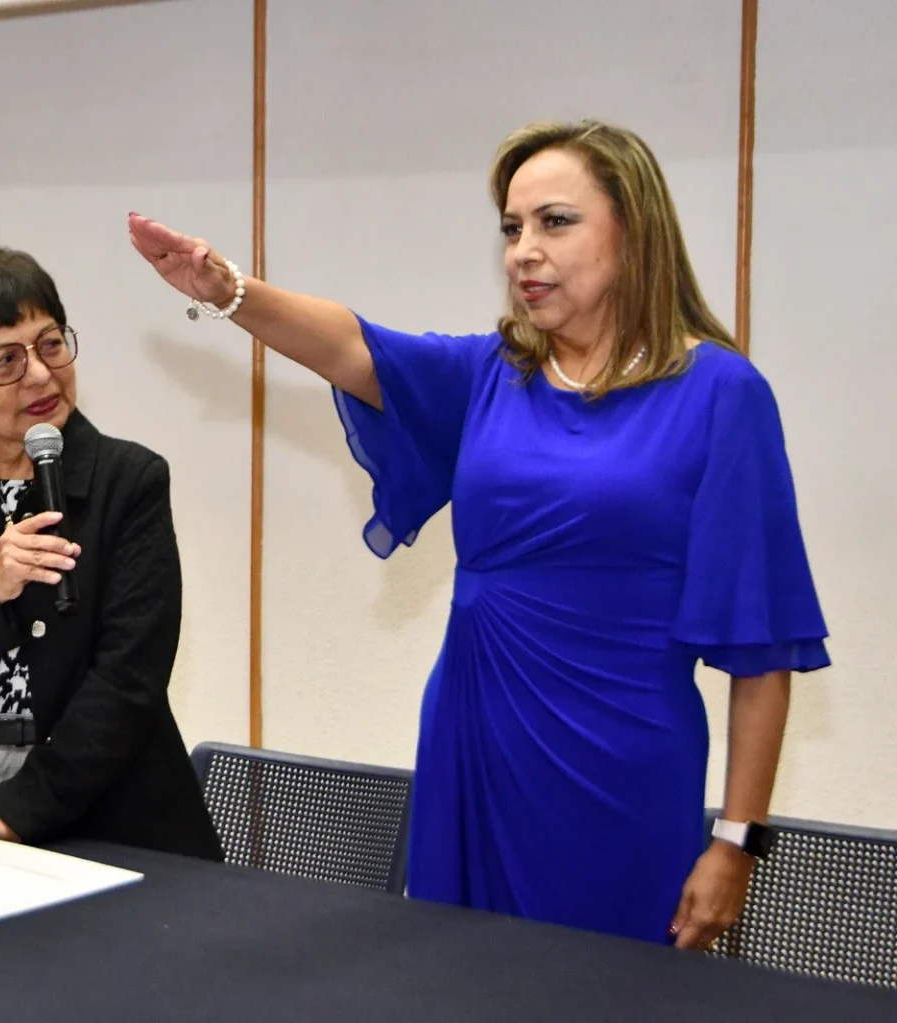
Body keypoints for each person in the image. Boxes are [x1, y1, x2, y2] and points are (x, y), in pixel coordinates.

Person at [127, 119, 829, 947]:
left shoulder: (721, 393)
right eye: (511, 227)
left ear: (634, 231)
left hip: (619, 766)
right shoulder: (493, 375)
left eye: (555, 222)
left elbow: (765, 648)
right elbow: (353, 345)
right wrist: (224, 288)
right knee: (456, 979)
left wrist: (736, 841)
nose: (523, 250)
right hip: (472, 737)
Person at [0, 246, 222, 860]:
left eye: (50, 345)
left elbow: (129, 679)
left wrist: (16, 808)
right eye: (5, 360)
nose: (39, 375)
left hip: (109, 809)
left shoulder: (129, 480)